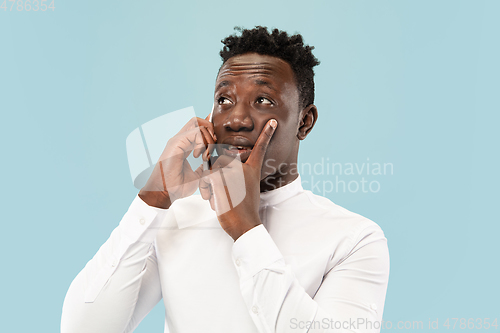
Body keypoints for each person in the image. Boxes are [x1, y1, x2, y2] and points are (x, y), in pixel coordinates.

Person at [61, 26, 389, 333]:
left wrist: (246, 230)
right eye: (224, 100)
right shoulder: (177, 218)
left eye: (263, 100)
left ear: (305, 122)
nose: (236, 119)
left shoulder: (354, 239)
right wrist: (155, 197)